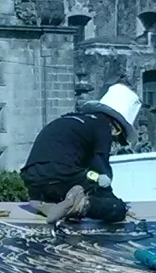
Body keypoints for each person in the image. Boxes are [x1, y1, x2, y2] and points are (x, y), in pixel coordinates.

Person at [23, 84, 141, 226]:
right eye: (118, 140)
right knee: (116, 209)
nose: (114, 143)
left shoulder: (75, 120)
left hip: (31, 179)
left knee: (76, 182)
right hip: (60, 176)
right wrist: (114, 204)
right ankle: (78, 205)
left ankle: (47, 204)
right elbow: (101, 173)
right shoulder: (103, 127)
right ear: (116, 130)